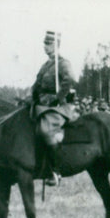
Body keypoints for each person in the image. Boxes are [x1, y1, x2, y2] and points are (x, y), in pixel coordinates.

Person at [31, 31, 77, 187]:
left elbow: (70, 78)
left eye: (49, 44)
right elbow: (37, 85)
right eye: (45, 44)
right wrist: (29, 97)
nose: (46, 47)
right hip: (42, 105)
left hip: (58, 107)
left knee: (45, 130)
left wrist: (58, 97)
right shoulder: (45, 66)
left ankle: (56, 172)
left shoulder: (63, 63)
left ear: (57, 45)